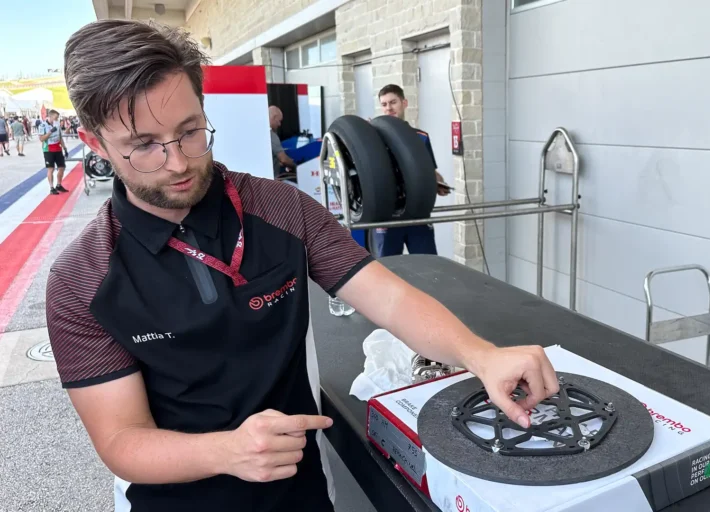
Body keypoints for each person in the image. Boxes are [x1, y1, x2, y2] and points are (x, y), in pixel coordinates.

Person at [49, 20, 558, 512]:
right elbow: (121, 438)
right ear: (95, 143)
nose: (178, 162)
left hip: (301, 491)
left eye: (190, 131)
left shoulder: (282, 210)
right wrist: (226, 450)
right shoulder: (81, 280)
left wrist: (480, 354)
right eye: (143, 146)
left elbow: (390, 297)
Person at [374, 84, 451, 257]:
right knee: (388, 271)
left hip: (418, 213)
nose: (389, 108)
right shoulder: (372, 137)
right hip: (386, 216)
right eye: (384, 104)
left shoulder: (420, 137)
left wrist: (439, 182)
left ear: (404, 103)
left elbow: (430, 170)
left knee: (428, 266)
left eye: (393, 102)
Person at [38, 109, 69, 195]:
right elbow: (41, 139)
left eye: (57, 117)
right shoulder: (42, 125)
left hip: (58, 148)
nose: (57, 119)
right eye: (56, 117)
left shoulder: (57, 124)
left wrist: (65, 148)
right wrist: (50, 132)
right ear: (50, 116)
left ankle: (58, 185)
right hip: (48, 149)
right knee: (51, 169)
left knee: (62, 167)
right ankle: (51, 187)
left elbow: (60, 137)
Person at [268, 105, 297, 180]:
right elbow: (283, 159)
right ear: (274, 117)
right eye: (279, 121)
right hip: (272, 180)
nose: (279, 124)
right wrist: (295, 166)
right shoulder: (271, 135)